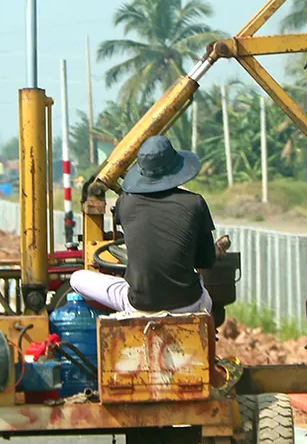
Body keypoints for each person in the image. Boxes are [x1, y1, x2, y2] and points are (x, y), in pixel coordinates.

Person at [70, 134, 216, 315]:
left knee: (77, 278)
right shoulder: (195, 203)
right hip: (188, 303)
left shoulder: (125, 203)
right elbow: (207, 260)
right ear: (176, 169)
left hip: (138, 304)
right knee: (206, 297)